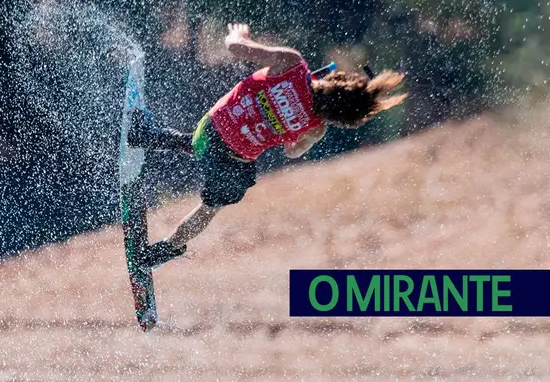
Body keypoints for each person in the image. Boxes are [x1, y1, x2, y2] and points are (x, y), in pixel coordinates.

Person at [128, 23, 407, 268]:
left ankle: (148, 135)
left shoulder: (293, 65)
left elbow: (234, 47)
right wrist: (304, 130)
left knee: (206, 145)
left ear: (337, 78)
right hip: (233, 161)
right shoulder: (316, 127)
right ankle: (165, 249)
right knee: (210, 208)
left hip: (210, 130)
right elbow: (292, 151)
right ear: (339, 117)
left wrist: (240, 34)